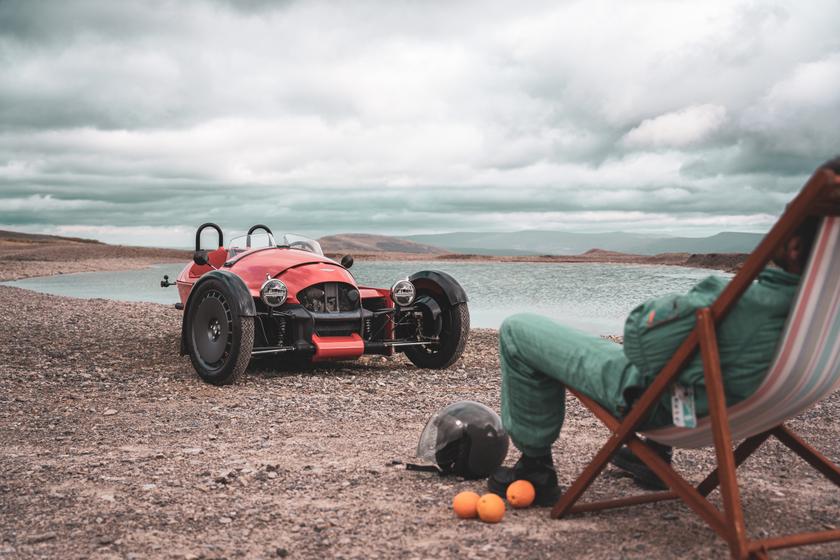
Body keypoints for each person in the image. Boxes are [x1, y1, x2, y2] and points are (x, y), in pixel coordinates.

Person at [488, 159, 837, 506]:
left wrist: (676, 305)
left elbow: (640, 346)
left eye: (786, 218)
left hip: (666, 407)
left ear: (792, 247)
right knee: (690, 354)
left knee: (519, 330)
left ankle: (535, 470)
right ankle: (651, 456)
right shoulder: (824, 314)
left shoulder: (745, 303)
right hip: (760, 406)